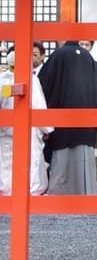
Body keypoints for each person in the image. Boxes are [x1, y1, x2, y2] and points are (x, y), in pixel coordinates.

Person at [36, 41, 97, 195]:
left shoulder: (58, 55)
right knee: (84, 156)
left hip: (63, 118)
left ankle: (61, 192)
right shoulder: (87, 56)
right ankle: (86, 190)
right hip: (86, 119)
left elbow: (43, 86)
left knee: (63, 157)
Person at [0, 58, 51, 196]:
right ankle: (31, 190)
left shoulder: (2, 80)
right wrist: (47, 128)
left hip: (6, 128)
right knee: (30, 161)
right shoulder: (32, 80)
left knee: (7, 162)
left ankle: (7, 190)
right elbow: (38, 105)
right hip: (29, 129)